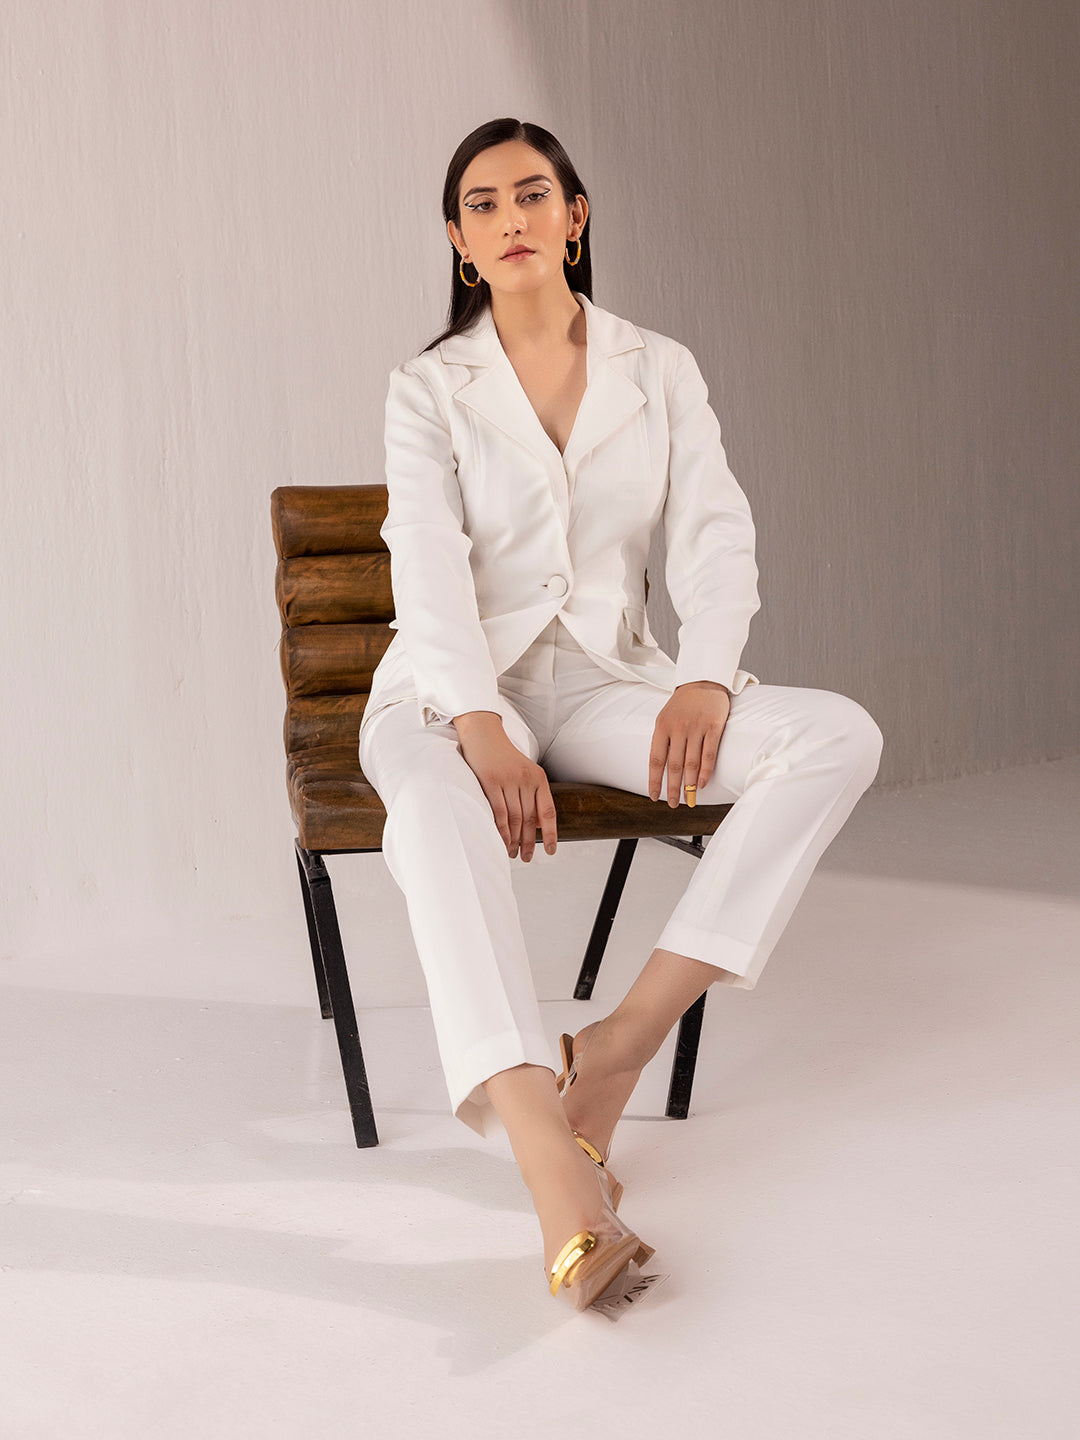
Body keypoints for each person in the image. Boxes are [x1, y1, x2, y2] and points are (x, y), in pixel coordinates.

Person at [357, 117, 884, 1310]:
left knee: (838, 734)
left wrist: (707, 670)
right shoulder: (427, 389)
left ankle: (619, 1045)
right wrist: (478, 722)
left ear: (576, 216)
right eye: (483, 205)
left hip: (604, 681)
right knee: (432, 815)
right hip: (451, 689)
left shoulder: (661, 367)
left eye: (533, 194)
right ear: (458, 242)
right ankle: (557, 1179)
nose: (511, 218)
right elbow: (424, 566)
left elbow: (713, 530)